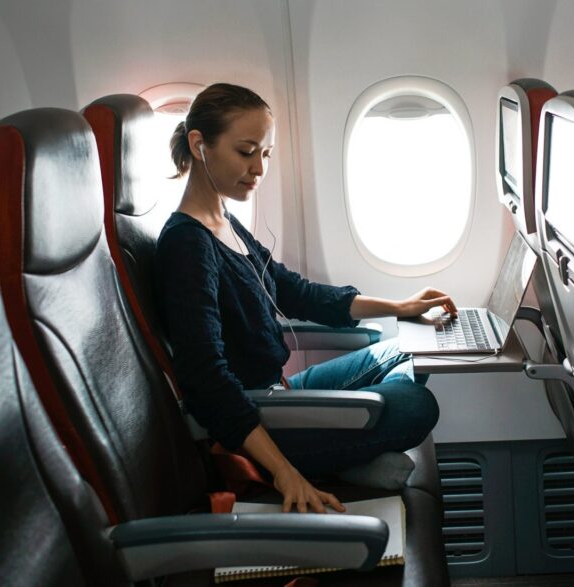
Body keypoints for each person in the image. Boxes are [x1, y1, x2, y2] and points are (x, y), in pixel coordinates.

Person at [154, 83, 454, 514]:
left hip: (284, 392)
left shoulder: (224, 221)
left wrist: (399, 305)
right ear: (200, 145)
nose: (258, 168)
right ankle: (331, 460)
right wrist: (285, 474)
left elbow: (296, 292)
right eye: (245, 151)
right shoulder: (187, 246)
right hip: (262, 417)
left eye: (267, 154)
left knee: (408, 352)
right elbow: (209, 382)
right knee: (415, 405)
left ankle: (347, 457)